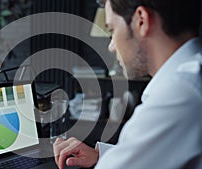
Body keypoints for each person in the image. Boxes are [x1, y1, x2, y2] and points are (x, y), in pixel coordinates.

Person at [53, 0, 202, 168]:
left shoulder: (179, 94)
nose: (111, 46)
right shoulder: (191, 78)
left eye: (112, 30)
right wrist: (101, 156)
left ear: (141, 21)